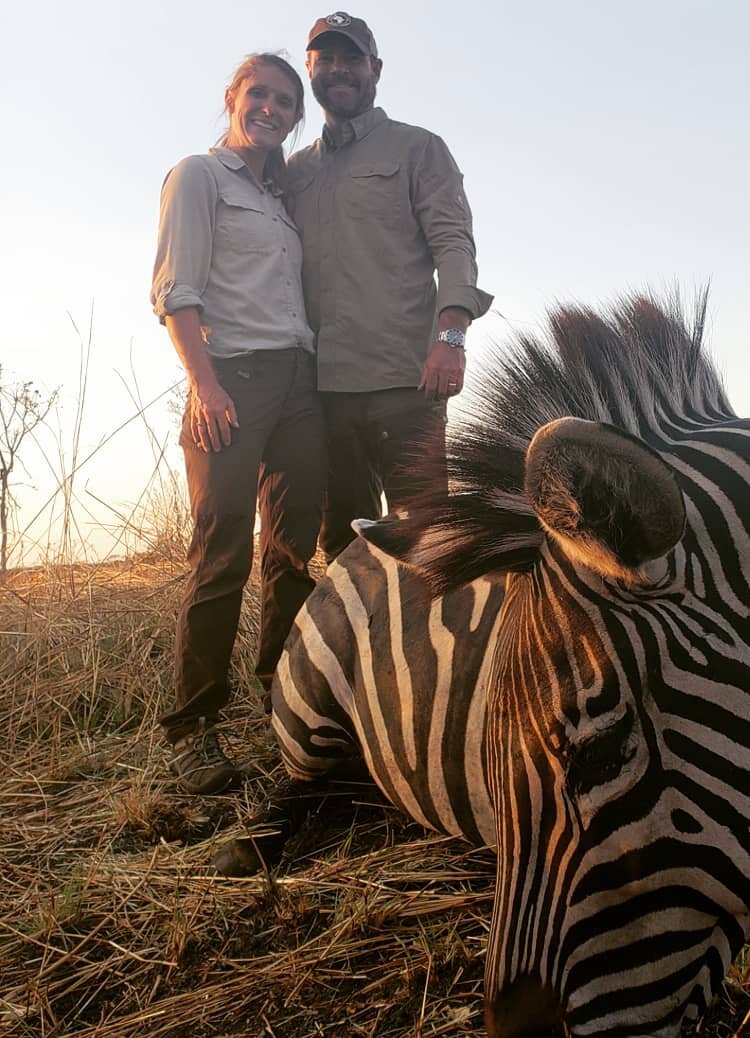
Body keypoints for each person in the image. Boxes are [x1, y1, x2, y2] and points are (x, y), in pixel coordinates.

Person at [151, 53, 327, 794]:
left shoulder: (282, 198)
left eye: (287, 101)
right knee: (221, 547)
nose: (273, 108)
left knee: (292, 550)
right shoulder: (198, 175)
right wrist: (206, 384)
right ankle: (193, 727)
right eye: (261, 94)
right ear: (233, 97)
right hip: (234, 379)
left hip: (299, 382)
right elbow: (174, 290)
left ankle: (278, 694)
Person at [288, 12, 493, 560]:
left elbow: (454, 245)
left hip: (408, 385)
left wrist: (450, 341)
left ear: (375, 69)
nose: (339, 69)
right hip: (323, 392)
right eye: (326, 58)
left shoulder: (418, 149)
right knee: (341, 550)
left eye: (351, 58)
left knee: (426, 542)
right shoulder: (293, 171)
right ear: (310, 68)